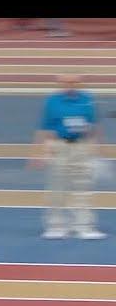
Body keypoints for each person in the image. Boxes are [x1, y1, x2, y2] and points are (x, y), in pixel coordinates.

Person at [28, 74, 106, 239]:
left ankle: (84, 226)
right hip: (59, 146)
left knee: (83, 188)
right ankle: (56, 226)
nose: (69, 85)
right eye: (65, 83)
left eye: (73, 82)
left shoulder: (87, 100)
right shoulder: (52, 102)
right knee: (57, 187)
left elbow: (94, 124)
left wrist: (97, 147)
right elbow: (43, 128)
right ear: (60, 84)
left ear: (79, 84)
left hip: (82, 147)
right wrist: (38, 151)